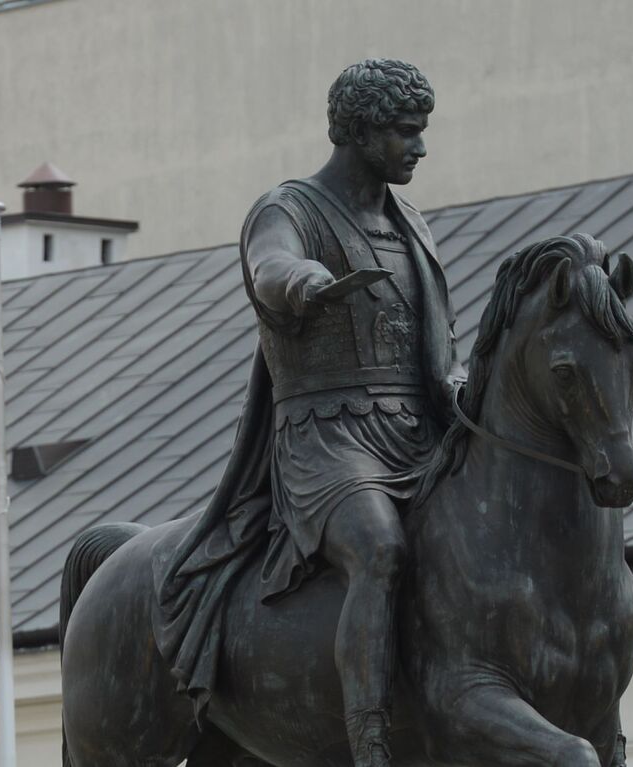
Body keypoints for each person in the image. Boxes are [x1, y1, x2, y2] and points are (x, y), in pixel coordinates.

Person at [156, 58, 461, 767]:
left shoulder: (409, 223)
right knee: (380, 546)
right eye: (403, 132)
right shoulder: (287, 209)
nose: (418, 147)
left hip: (418, 431)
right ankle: (371, 734)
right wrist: (304, 280)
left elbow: (436, 342)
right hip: (325, 438)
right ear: (357, 131)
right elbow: (270, 264)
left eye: (421, 131)